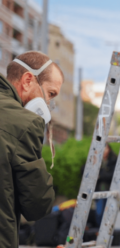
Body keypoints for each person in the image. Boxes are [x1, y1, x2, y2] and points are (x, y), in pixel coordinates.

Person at [0, 51, 63, 248]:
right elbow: (38, 206)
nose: (48, 104)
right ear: (28, 80)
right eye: (50, 94)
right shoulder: (25, 123)